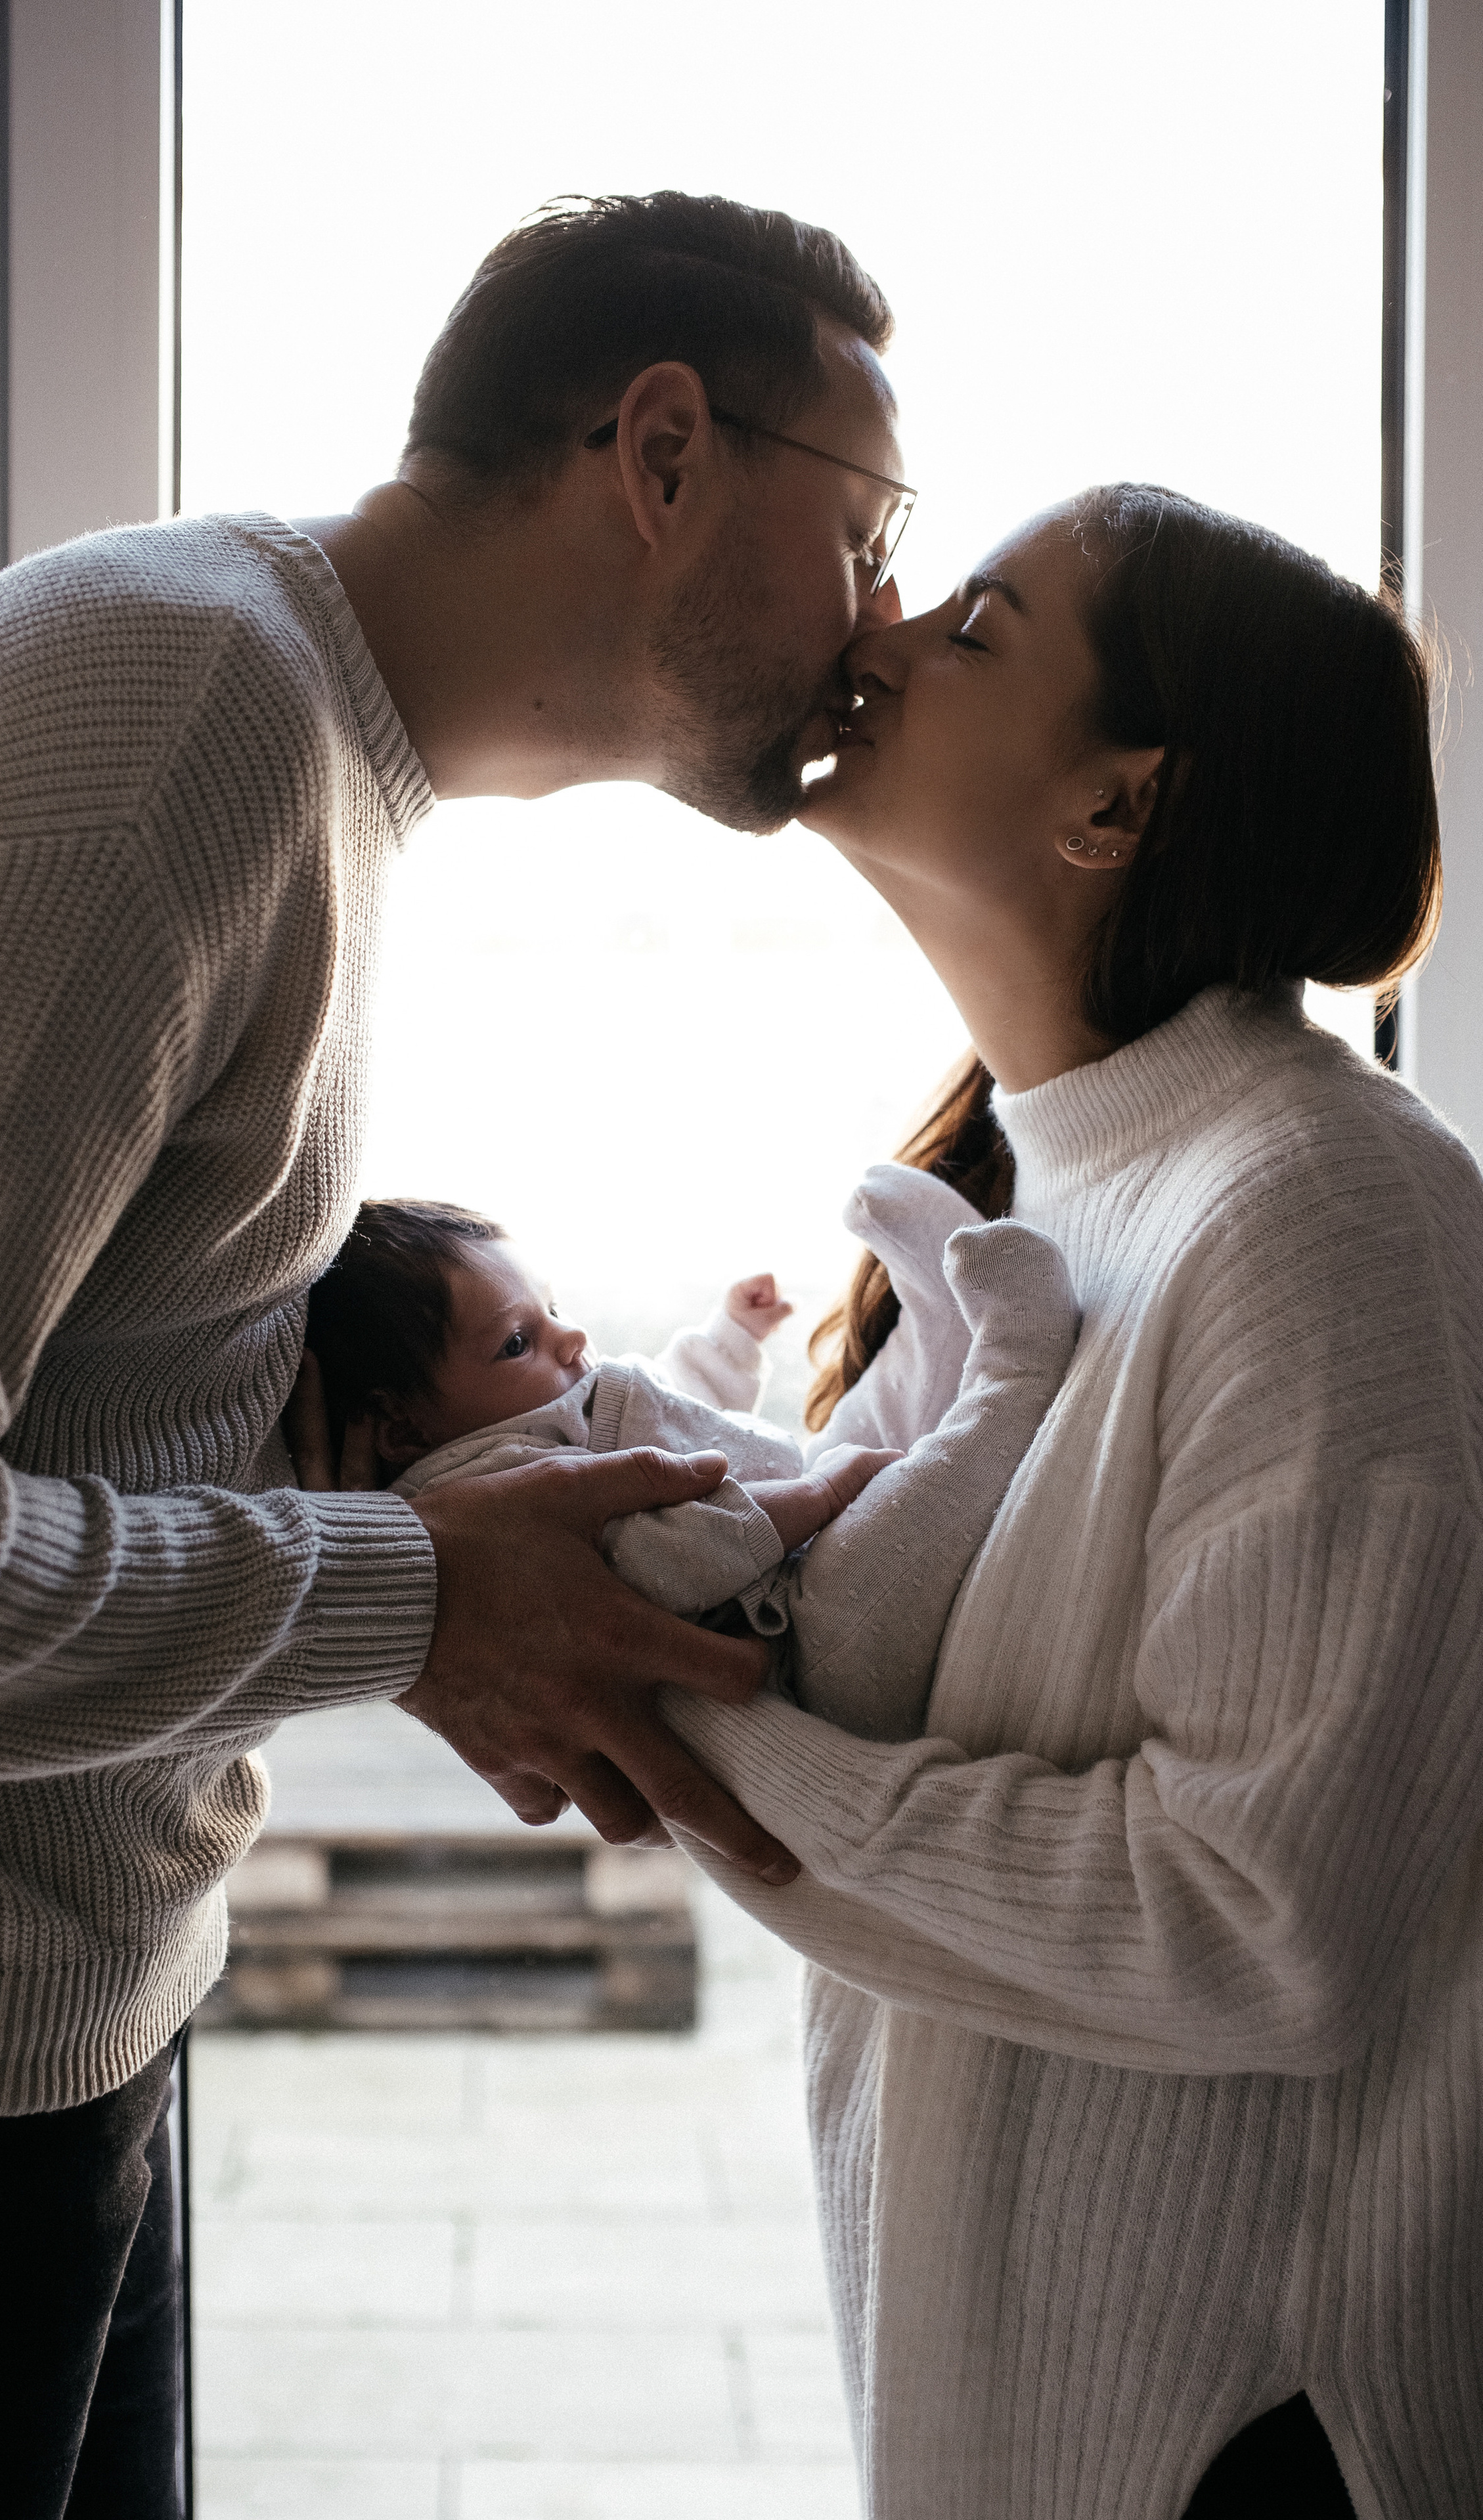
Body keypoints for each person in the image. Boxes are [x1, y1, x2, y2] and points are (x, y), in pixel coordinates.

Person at [0, 191, 912, 2515]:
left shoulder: (280, 734)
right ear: (664, 451)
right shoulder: (172, 717)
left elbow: (97, 1378)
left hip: (35, 2031)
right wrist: (416, 1597)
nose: (882, 621)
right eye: (869, 527)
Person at [657, 485, 1478, 2518]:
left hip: (1243, 2439)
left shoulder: (1319, 1208)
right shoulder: (1045, 1182)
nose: (881, 634)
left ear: (1115, 803)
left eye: (976, 627)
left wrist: (716, 1754)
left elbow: (1265, 1919)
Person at [300, 1194, 1076, 1710]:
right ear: (405, 1430)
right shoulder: (492, 1485)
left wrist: (730, 1339)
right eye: (516, 1340)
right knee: (908, 1495)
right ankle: (1014, 1375)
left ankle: (937, 1325)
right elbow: (667, 1553)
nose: (569, 1335)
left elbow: (671, 1409)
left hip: (798, 1545)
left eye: (553, 1307)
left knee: (864, 1436)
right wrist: (821, 1496)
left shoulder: (552, 1410)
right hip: (801, 1639)